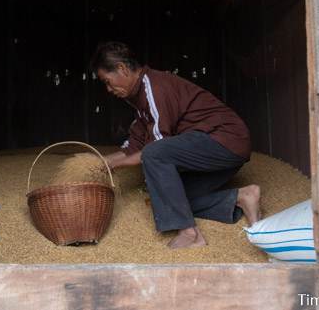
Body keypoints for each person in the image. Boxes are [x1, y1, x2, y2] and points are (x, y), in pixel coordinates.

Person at [91, 41, 260, 249]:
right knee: (167, 198)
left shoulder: (154, 87)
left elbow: (155, 149)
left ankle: (190, 234)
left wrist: (116, 165)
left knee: (154, 154)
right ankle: (241, 197)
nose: (108, 89)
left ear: (122, 69)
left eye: (107, 81)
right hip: (216, 148)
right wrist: (100, 162)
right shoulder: (139, 100)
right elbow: (134, 145)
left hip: (224, 138)